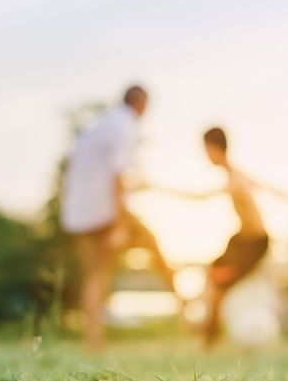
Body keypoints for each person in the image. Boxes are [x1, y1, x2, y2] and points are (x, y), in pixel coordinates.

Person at [61, 85, 176, 352]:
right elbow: (117, 177)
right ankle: (186, 311)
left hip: (80, 212)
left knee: (95, 275)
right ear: (141, 104)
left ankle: (94, 341)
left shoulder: (101, 125)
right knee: (153, 245)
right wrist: (120, 225)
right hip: (105, 212)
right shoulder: (126, 127)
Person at [162, 127, 276, 347]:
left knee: (215, 287)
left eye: (206, 150)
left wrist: (159, 188)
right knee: (212, 283)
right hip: (239, 240)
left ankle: (209, 340)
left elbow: (199, 198)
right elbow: (266, 188)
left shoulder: (235, 180)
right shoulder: (236, 174)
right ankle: (209, 337)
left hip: (253, 244)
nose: (205, 156)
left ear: (214, 149)